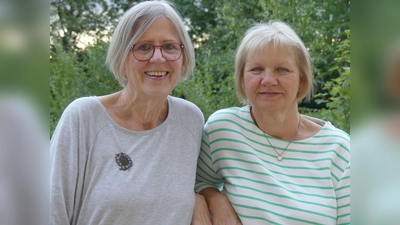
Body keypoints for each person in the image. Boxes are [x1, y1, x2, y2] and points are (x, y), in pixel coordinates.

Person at [50, 1, 210, 224]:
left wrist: (203, 199)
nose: (157, 58)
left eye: (170, 47)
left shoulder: (190, 120)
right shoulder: (83, 118)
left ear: (183, 59)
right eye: (143, 47)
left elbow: (201, 184)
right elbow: (51, 211)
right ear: (121, 57)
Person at [195, 21, 350, 224]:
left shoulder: (339, 150)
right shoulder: (223, 130)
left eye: (282, 70)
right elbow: (193, 182)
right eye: (256, 69)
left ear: (301, 80)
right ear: (242, 78)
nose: (268, 80)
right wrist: (215, 199)